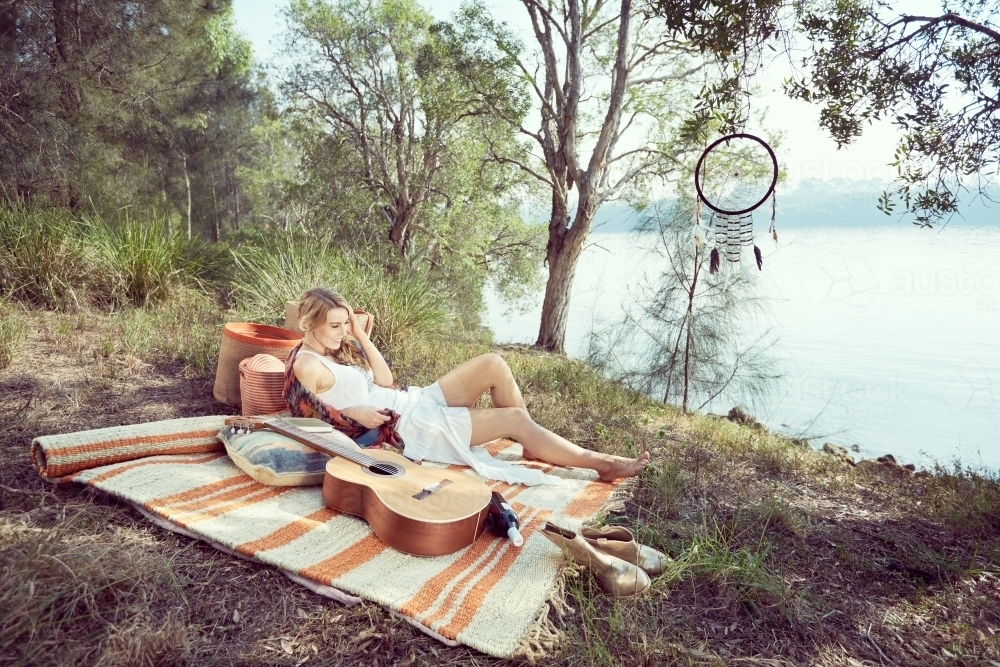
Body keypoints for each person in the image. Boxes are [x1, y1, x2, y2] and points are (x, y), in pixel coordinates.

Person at [290, 287, 650, 486]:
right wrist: (353, 413)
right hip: (409, 426)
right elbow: (307, 423)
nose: (341, 333)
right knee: (514, 419)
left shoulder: (335, 347)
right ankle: (599, 463)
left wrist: (359, 337)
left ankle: (534, 443)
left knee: (493, 363)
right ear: (308, 323)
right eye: (334, 326)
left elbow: (383, 380)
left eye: (343, 325)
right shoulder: (307, 364)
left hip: (412, 399)